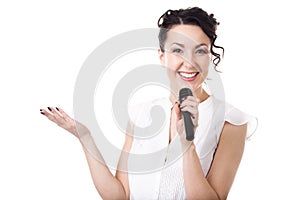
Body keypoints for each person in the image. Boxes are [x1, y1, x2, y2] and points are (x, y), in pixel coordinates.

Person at [40, 7, 257, 200]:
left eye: (200, 50)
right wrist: (85, 137)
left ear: (210, 57)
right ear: (162, 56)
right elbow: (120, 195)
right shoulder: (140, 114)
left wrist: (187, 144)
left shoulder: (231, 121)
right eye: (178, 50)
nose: (189, 62)